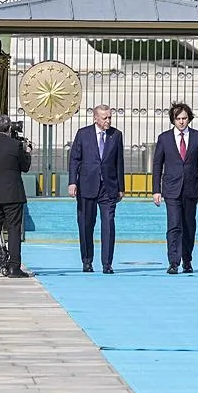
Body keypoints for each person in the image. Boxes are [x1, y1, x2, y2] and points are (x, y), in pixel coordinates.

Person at [152, 102, 198, 274]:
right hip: (171, 188)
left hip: (191, 188)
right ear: (173, 119)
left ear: (189, 119)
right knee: (174, 225)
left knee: (189, 225)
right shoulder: (164, 138)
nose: (181, 122)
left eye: (184, 118)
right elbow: (157, 164)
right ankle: (173, 261)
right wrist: (156, 190)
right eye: (178, 118)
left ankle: (187, 259)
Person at [68, 104, 125, 274]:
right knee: (86, 224)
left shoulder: (116, 135)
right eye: (104, 118)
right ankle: (87, 261)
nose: (108, 121)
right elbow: (74, 160)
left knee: (108, 224)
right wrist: (72, 182)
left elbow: (119, 162)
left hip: (108, 187)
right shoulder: (83, 134)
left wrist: (121, 187)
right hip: (87, 185)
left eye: (110, 117)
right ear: (95, 118)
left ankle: (107, 263)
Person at [0, 115, 32, 278]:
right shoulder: (16, 145)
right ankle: (13, 267)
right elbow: (25, 167)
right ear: (9, 129)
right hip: (12, 193)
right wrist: (27, 152)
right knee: (14, 230)